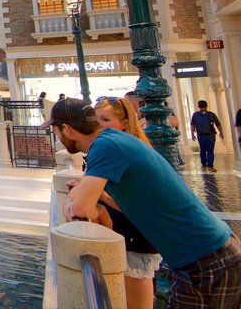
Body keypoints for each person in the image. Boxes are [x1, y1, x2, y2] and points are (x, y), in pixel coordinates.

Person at [51, 98, 241, 308]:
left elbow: (80, 208)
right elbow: (135, 205)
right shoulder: (112, 140)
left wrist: (74, 200)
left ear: (66, 130)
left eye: (56, 131)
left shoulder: (104, 147)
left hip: (206, 261)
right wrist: (101, 198)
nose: (57, 137)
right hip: (208, 255)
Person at [93, 96, 162, 309]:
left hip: (137, 239)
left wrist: (99, 196)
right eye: (97, 121)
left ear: (124, 123)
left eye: (105, 120)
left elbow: (136, 205)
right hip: (132, 236)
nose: (100, 126)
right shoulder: (129, 147)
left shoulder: (119, 151)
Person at [191, 100, 224, 172]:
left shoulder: (195, 115)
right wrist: (221, 132)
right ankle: (210, 166)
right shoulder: (211, 114)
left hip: (200, 134)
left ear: (198, 106)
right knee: (210, 151)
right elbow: (218, 124)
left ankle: (203, 166)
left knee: (202, 150)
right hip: (210, 134)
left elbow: (192, 125)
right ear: (206, 106)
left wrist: (192, 134)